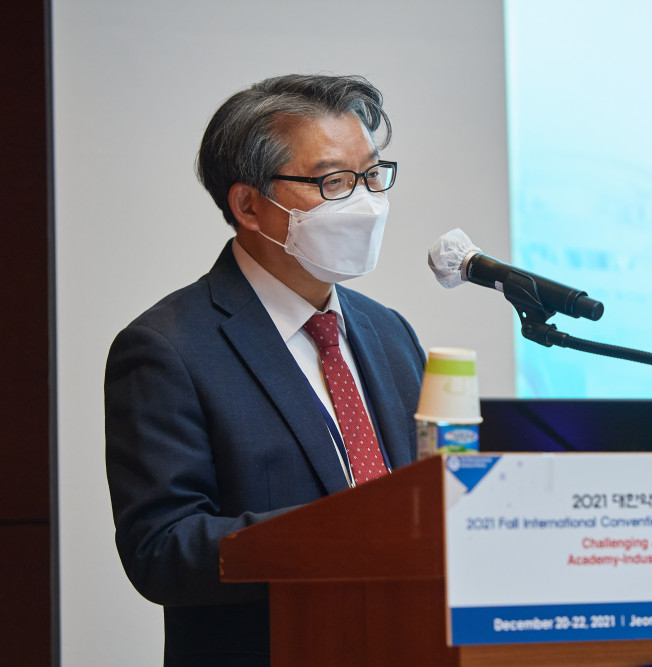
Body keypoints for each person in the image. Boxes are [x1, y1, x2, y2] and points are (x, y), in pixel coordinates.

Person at [105, 74, 425, 666]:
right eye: (333, 181)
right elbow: (161, 549)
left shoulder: (390, 333)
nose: (364, 202)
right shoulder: (167, 348)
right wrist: (349, 534)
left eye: (372, 175)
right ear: (249, 205)